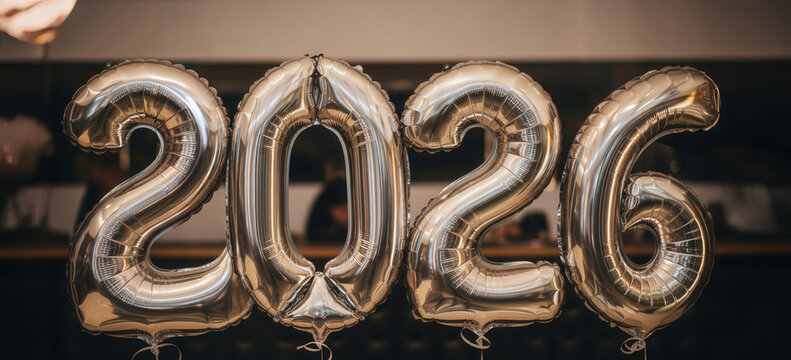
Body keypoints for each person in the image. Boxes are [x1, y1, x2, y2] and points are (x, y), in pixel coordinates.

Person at [306, 178, 348, 244]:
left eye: (345, 209)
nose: (344, 214)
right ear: (330, 208)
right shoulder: (324, 201)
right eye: (342, 209)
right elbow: (312, 235)